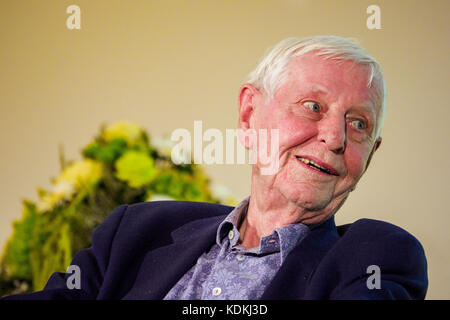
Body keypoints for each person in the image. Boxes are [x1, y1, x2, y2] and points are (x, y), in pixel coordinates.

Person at [2, 35, 428, 300]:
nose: (335, 137)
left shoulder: (375, 257)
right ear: (248, 115)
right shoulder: (138, 230)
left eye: (358, 125)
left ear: (369, 155)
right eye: (312, 107)